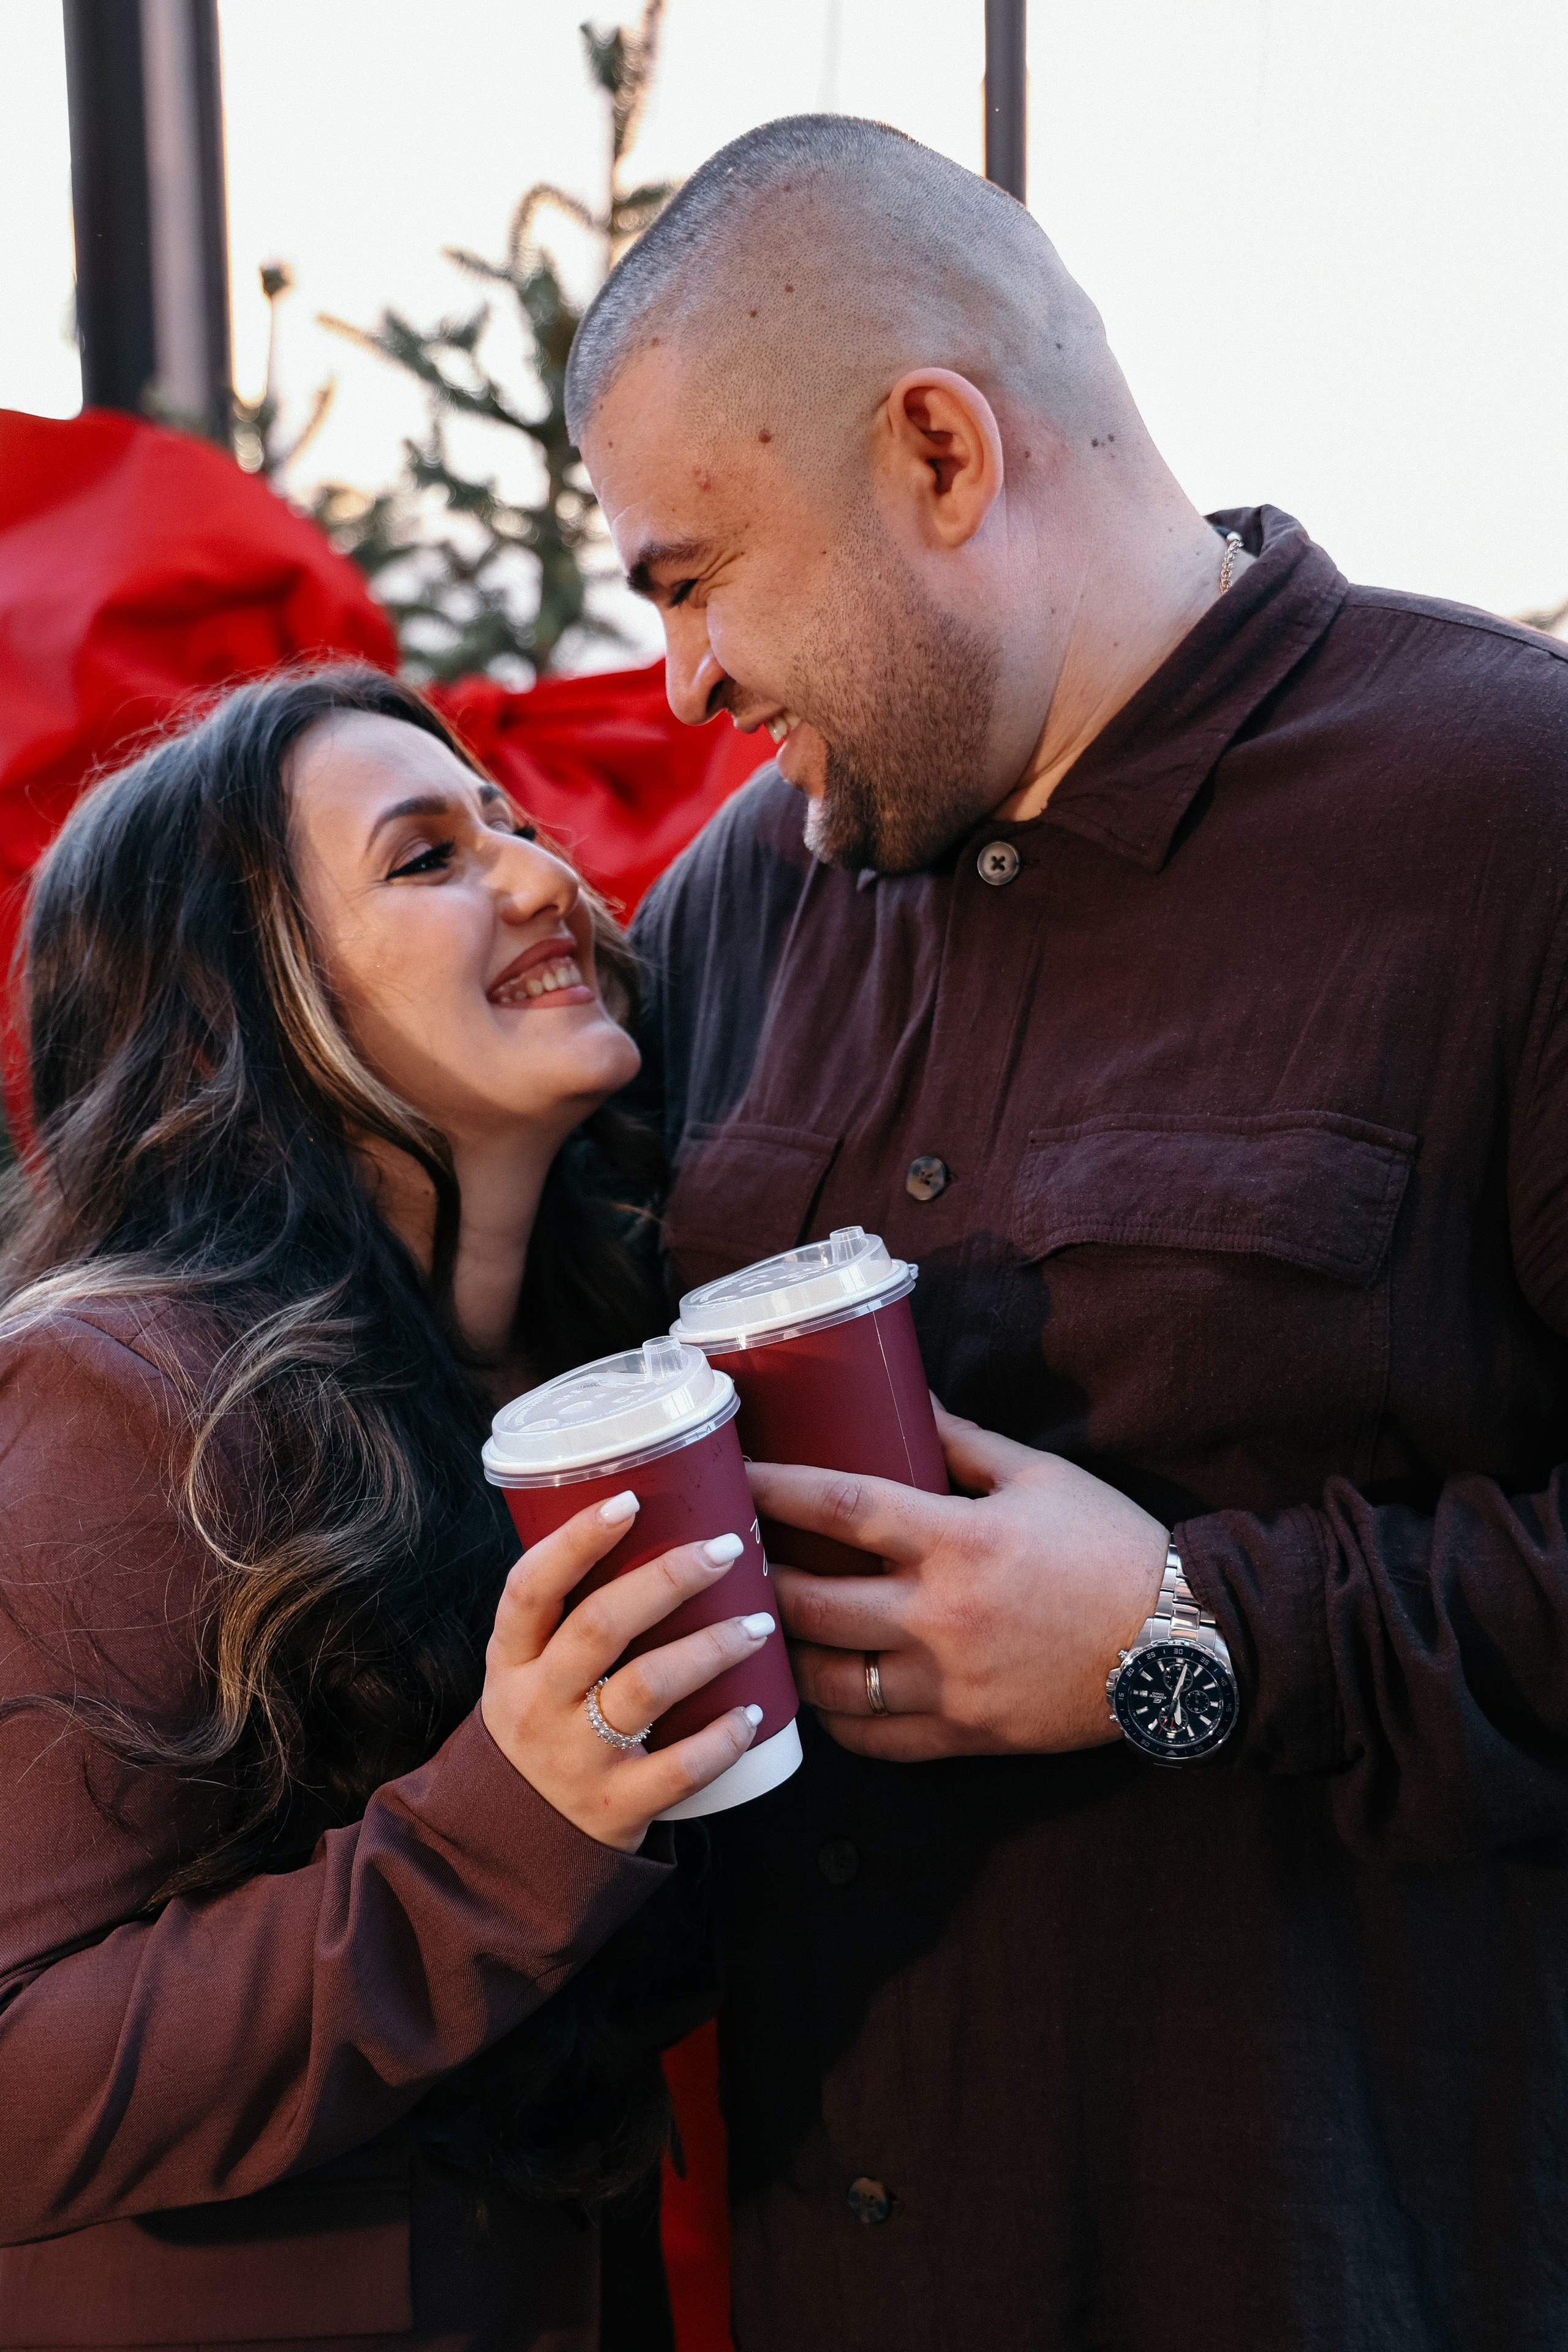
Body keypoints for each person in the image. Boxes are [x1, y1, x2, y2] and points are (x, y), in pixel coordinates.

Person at [564, 114, 1568, 2352]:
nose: (683, 681)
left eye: (694, 576)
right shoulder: (735, 911)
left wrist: (1189, 1634)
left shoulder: (1517, 822)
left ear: (939, 453)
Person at [0, 667, 777, 2352]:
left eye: (512, 823)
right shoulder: (127, 1393)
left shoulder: (595, 1385)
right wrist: (516, 1825)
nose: (541, 876)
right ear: (233, 1011)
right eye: (427, 857)